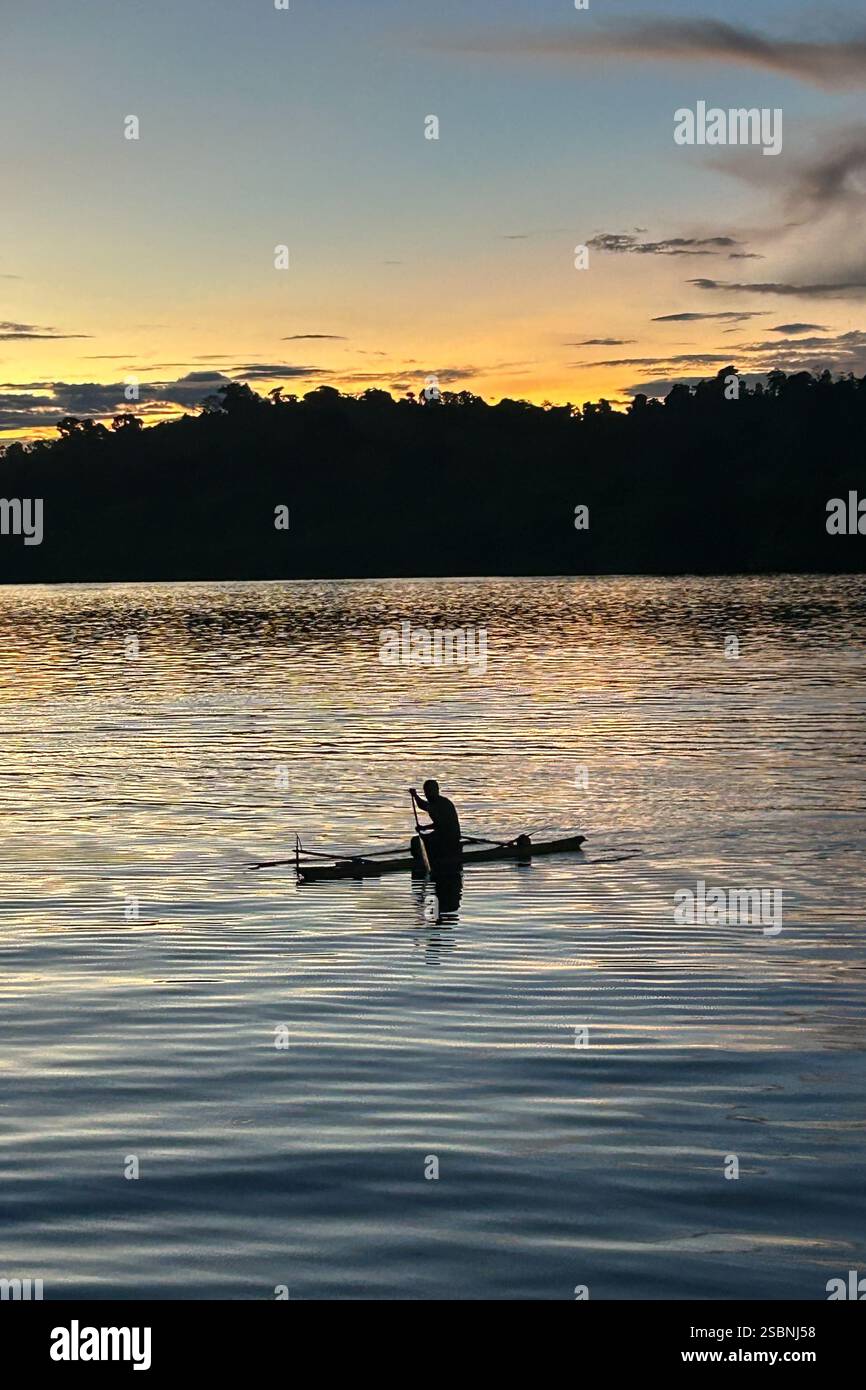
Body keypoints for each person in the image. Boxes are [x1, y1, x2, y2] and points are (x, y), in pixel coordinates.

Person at [410, 780, 462, 866]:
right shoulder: (432, 803)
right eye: (426, 791)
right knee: (416, 840)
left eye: (430, 791)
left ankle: (423, 861)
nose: (427, 794)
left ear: (437, 790)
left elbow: (440, 824)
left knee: (417, 841)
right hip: (441, 834)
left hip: (449, 837)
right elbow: (422, 805)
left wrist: (423, 828)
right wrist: (415, 796)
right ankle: (421, 859)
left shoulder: (443, 804)